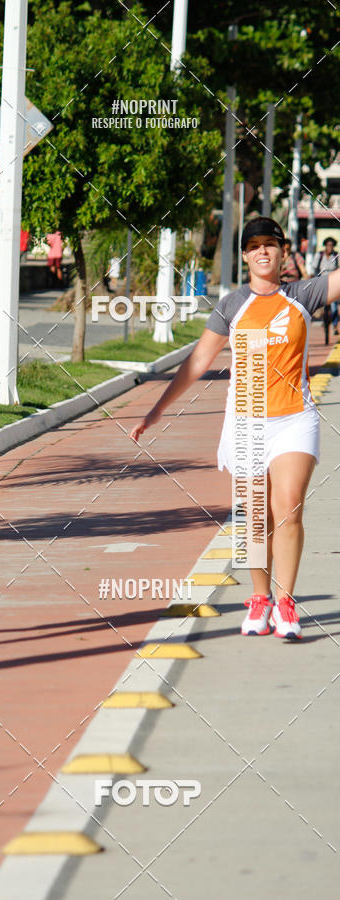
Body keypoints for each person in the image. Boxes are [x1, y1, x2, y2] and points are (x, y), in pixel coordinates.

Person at [131, 216, 340, 640]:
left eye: (271, 244)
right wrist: (157, 410)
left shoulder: (304, 294)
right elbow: (195, 364)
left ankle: (285, 603)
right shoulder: (231, 305)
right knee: (256, 519)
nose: (263, 251)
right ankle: (260, 599)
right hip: (245, 423)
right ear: (245, 255)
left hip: (294, 420)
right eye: (255, 245)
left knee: (290, 507)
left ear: (284, 252)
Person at [314, 237, 339, 334]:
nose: (330, 247)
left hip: (333, 282)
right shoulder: (319, 255)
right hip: (322, 281)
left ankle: (335, 326)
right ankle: (323, 318)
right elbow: (315, 268)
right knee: (319, 302)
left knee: (334, 306)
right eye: (328, 245)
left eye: (331, 246)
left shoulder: (336, 256)